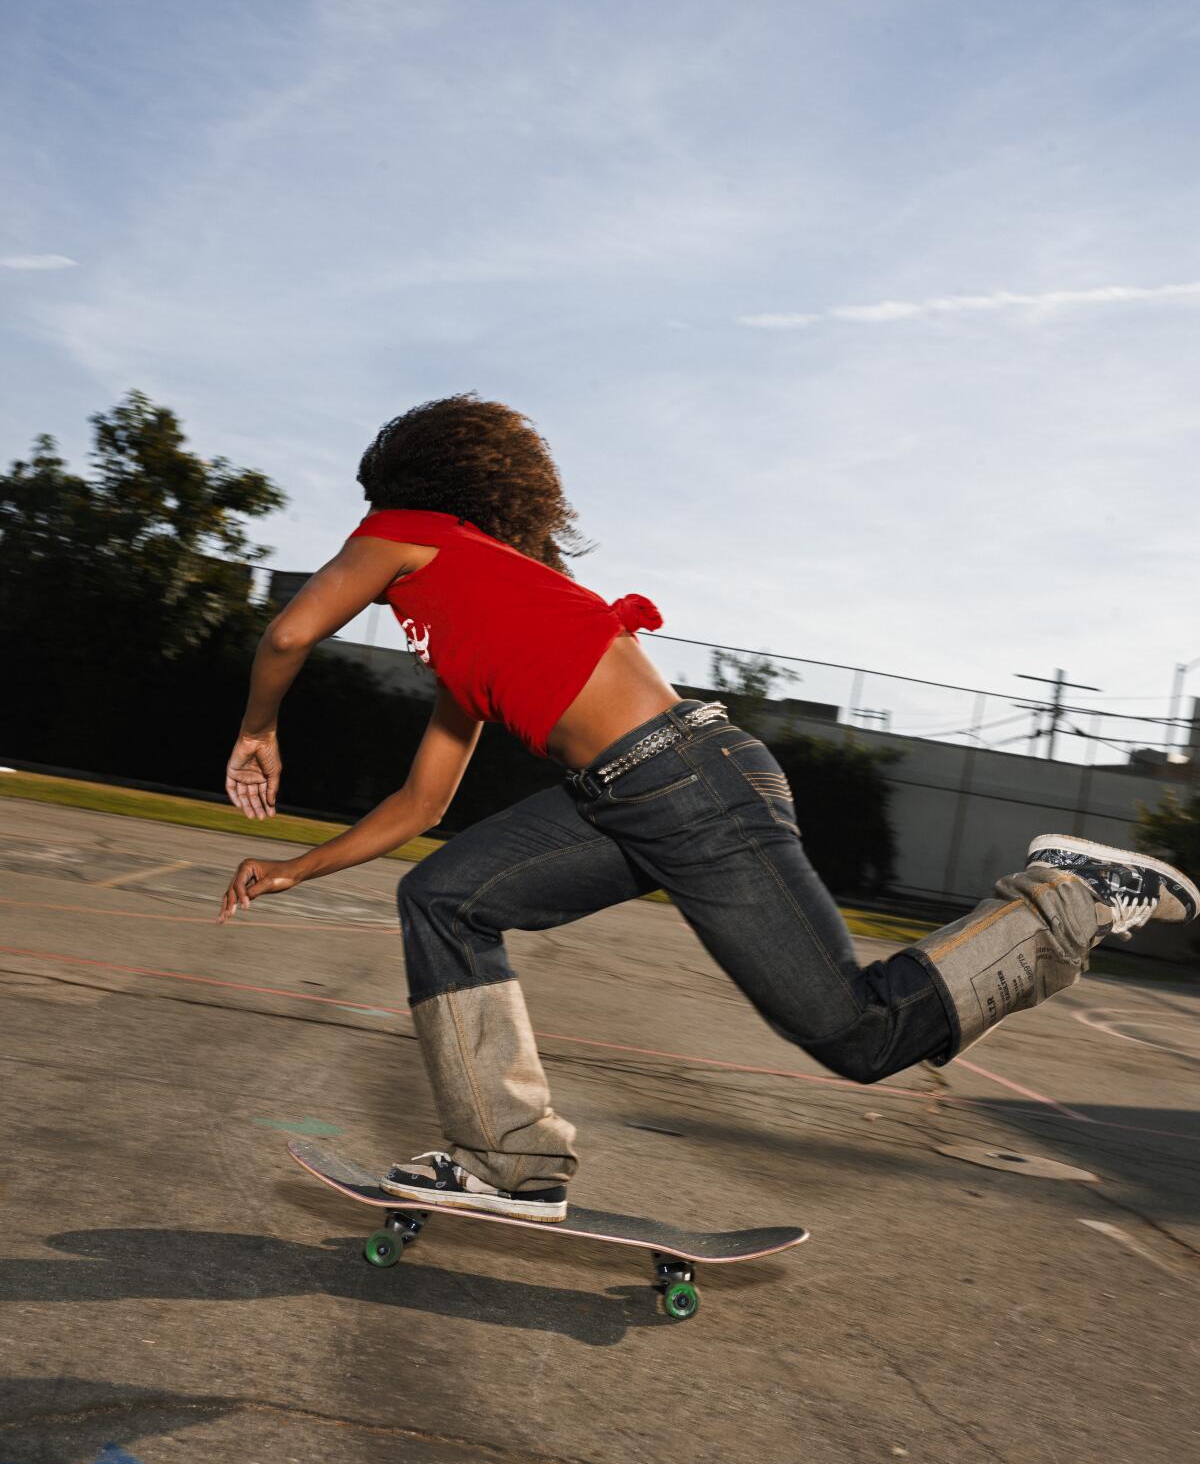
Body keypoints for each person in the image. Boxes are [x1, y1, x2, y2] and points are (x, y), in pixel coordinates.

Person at [218, 393, 1198, 1223]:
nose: (368, 575)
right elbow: (419, 804)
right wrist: (293, 869)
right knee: (444, 896)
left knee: (859, 1035)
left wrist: (259, 727)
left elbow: (292, 629)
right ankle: (507, 1160)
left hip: (688, 784)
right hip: (634, 793)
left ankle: (1070, 897)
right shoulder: (474, 625)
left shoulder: (411, 533)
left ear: (419, 497)